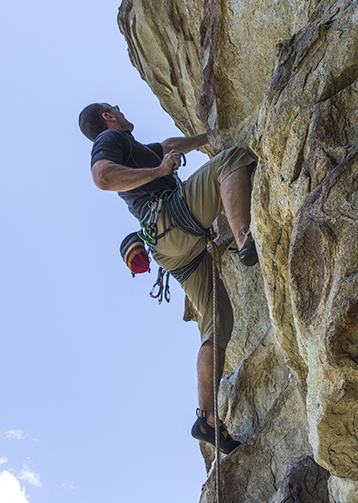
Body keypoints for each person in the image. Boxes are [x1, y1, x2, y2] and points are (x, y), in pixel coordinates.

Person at [78, 102, 258, 454]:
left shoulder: (133, 147)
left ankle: (206, 419)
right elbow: (102, 177)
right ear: (107, 116)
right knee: (232, 159)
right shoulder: (110, 138)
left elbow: (171, 146)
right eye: (116, 107)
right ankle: (244, 238)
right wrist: (160, 170)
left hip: (173, 250)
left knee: (218, 321)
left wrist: (205, 137)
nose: (121, 110)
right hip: (171, 220)